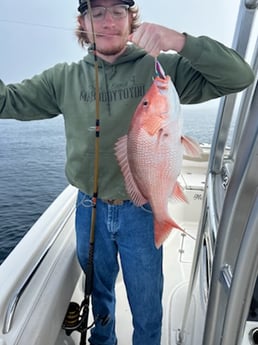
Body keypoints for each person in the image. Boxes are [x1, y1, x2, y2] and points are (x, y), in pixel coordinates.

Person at [0, 0, 255, 344]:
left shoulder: (161, 70)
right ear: (83, 22)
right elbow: (8, 101)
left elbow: (239, 76)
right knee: (99, 293)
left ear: (132, 19)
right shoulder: (63, 78)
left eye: (118, 11)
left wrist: (179, 41)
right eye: (97, 12)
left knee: (147, 303)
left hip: (143, 210)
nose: (108, 21)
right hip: (88, 209)